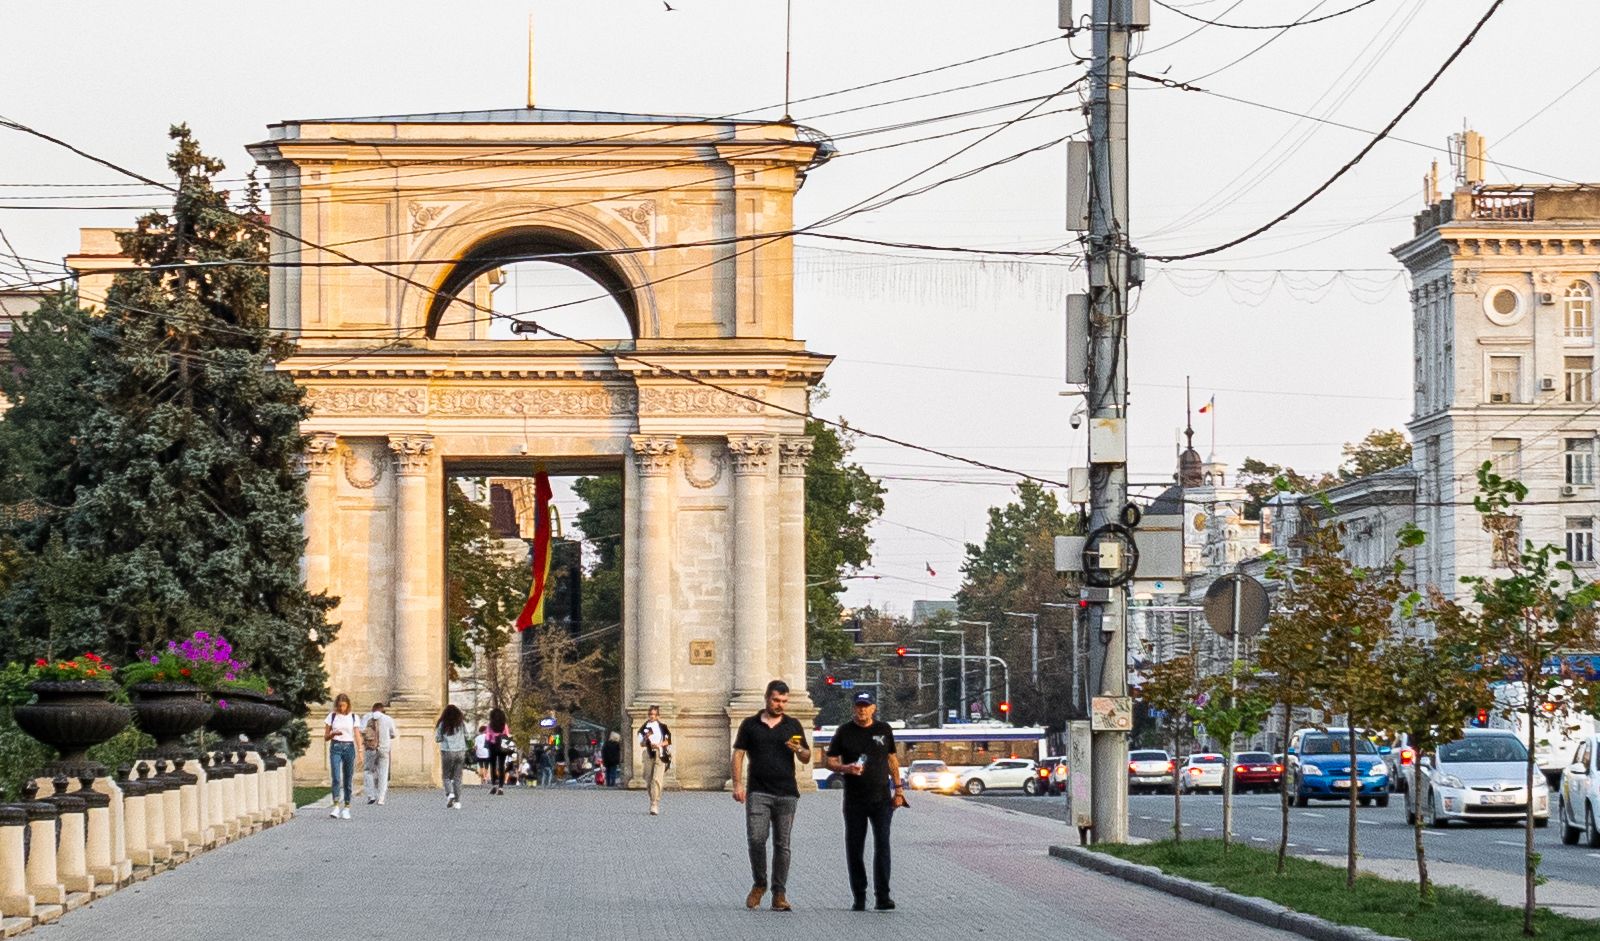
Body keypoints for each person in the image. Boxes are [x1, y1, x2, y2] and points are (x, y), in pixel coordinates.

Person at [732, 680, 811, 912]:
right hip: (758, 791)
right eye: (776, 700)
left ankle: (779, 893)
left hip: (787, 793)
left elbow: (806, 756)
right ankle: (759, 883)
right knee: (756, 839)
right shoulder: (750, 724)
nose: (780, 705)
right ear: (767, 698)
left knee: (782, 844)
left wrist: (799, 750)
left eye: (784, 701)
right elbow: (738, 755)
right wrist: (737, 784)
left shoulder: (793, 725)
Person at [825, 691, 906, 911]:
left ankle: (883, 896)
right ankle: (859, 896)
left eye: (866, 706)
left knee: (883, 846)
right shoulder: (844, 732)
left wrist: (898, 790)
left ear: (873, 708)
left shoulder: (884, 729)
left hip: (881, 799)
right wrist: (845, 768)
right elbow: (829, 761)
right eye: (859, 705)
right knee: (855, 848)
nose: (862, 709)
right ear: (853, 708)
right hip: (854, 800)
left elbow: (892, 759)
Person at [323, 693, 363, 820]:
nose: (341, 708)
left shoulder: (353, 717)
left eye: (344, 706)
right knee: (336, 777)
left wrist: (360, 751)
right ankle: (335, 806)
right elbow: (326, 737)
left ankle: (346, 806)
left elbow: (357, 735)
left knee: (348, 778)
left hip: (349, 747)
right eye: (339, 706)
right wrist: (333, 734)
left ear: (348, 705)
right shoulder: (332, 716)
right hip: (335, 747)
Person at [637, 704, 672, 815]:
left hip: (660, 754)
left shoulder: (663, 727)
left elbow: (668, 741)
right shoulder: (643, 728)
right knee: (648, 779)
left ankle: (654, 803)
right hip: (648, 753)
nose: (652, 716)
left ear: (658, 716)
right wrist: (645, 738)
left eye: (654, 714)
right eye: (650, 714)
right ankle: (653, 798)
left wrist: (659, 744)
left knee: (656, 779)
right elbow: (641, 743)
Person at [362, 702, 397, 806]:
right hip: (384, 748)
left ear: (373, 709)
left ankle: (371, 795)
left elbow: (361, 731)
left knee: (368, 770)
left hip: (370, 748)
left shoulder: (366, 717)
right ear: (383, 710)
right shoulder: (388, 719)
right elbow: (393, 734)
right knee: (383, 773)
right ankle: (381, 798)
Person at [435, 703, 468, 809]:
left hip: (447, 751)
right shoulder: (461, 723)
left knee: (446, 776)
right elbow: (467, 736)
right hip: (460, 752)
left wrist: (445, 738)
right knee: (457, 777)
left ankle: (450, 794)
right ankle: (457, 802)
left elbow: (438, 738)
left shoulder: (443, 724)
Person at [485, 708, 512, 795]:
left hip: (492, 746)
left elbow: (487, 737)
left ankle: (494, 786)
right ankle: (501, 788)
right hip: (502, 746)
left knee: (493, 766)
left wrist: (491, 740)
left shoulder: (490, 725)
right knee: (501, 766)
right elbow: (507, 736)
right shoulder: (504, 725)